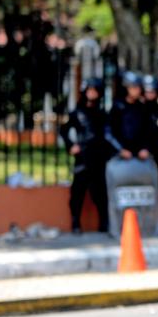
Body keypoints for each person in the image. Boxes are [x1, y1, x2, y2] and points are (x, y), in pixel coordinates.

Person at [62, 77, 110, 234]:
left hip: (99, 157)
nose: (92, 93)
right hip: (82, 157)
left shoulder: (102, 113)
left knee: (100, 192)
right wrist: (71, 146)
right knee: (78, 192)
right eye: (89, 90)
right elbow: (64, 131)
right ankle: (75, 222)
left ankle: (104, 223)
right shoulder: (77, 113)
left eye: (95, 91)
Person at [105, 70, 154, 161]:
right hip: (120, 155)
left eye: (138, 88)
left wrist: (145, 148)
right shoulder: (118, 107)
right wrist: (120, 149)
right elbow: (109, 132)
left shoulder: (143, 107)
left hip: (140, 156)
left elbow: (148, 130)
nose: (136, 91)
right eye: (133, 87)